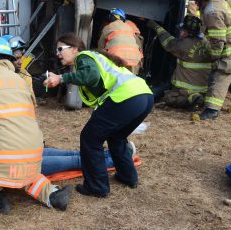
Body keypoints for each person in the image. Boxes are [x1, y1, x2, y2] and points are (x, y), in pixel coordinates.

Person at [0, 36, 73, 213]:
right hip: (33, 152)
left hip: (1, 156)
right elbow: (31, 113)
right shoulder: (21, 81)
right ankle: (52, 195)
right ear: (9, 59)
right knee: (24, 171)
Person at [44, 34, 153, 197]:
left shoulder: (83, 57)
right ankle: (127, 176)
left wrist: (60, 78)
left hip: (126, 97)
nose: (57, 53)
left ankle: (97, 187)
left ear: (74, 49)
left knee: (90, 139)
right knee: (116, 137)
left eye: (60, 49)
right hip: (144, 95)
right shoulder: (94, 59)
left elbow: (91, 77)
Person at [0, 142, 138, 184]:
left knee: (72, 153)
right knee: (74, 160)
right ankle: (119, 157)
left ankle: (113, 152)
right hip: (20, 164)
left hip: (19, 153)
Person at [147, 15, 212, 111]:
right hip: (205, 88)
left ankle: (192, 98)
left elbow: (168, 42)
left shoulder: (183, 45)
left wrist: (157, 27)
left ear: (187, 32)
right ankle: (199, 97)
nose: (180, 32)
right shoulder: (206, 42)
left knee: (168, 98)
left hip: (188, 89)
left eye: (182, 30)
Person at [98, 8, 143, 74]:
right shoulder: (130, 28)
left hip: (117, 58)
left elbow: (100, 46)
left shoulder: (108, 27)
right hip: (135, 60)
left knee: (113, 79)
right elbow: (139, 44)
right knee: (130, 80)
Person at [1, 35, 38, 106]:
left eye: (20, 58)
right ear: (4, 59)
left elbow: (31, 104)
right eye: (16, 58)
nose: (21, 62)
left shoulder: (25, 75)